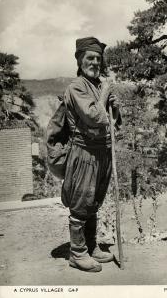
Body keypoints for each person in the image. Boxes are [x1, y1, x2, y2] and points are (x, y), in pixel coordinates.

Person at [61, 36, 121, 272]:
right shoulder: (76, 87)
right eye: (90, 58)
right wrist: (106, 92)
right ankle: (77, 253)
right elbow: (94, 117)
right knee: (81, 202)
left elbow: (111, 122)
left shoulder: (97, 86)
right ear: (79, 59)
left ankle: (91, 245)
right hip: (84, 153)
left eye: (98, 58)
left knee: (94, 202)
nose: (95, 62)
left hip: (102, 152)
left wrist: (114, 106)